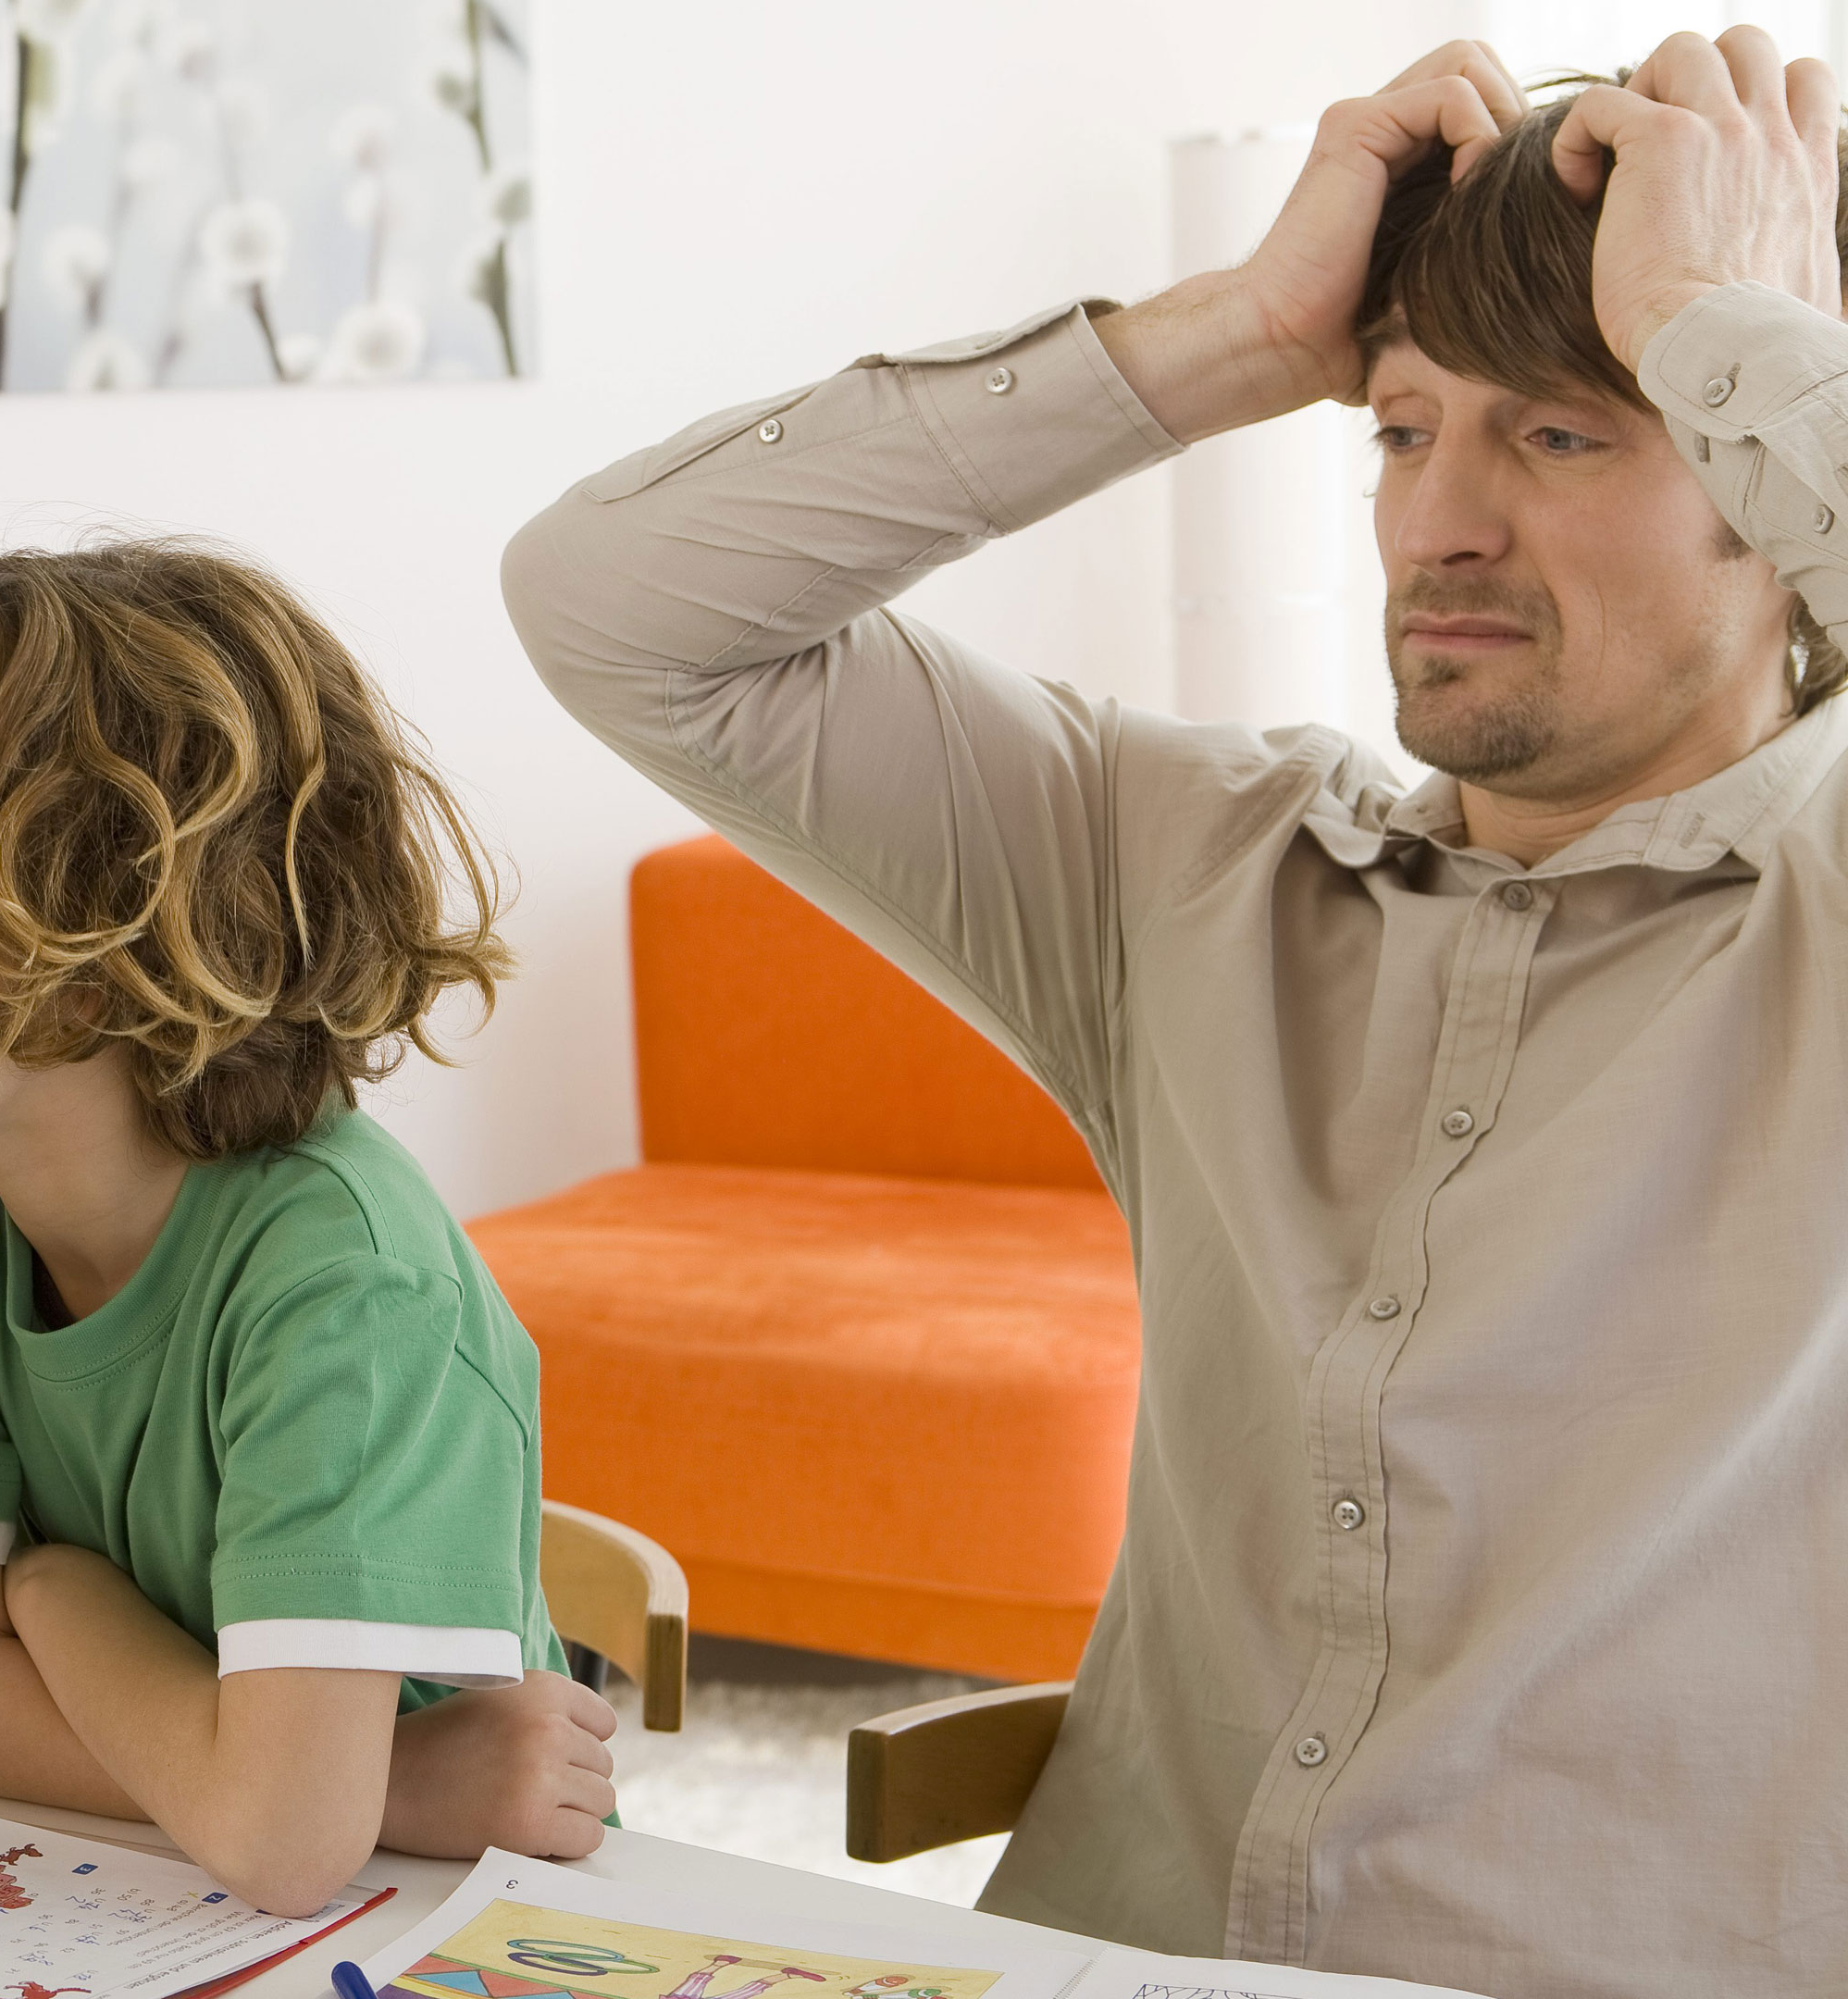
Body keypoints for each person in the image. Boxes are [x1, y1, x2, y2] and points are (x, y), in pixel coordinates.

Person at [502, 28, 1848, 1995]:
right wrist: (1231, 336)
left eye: (1562, 431)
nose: (1439, 525)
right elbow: (615, 604)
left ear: (1755, 463)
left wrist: (1718, 318)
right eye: (1402, 429)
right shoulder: (1190, 864)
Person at [0, 542, 616, 1918]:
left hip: (446, 1923)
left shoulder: (346, 1280)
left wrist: (50, 1601)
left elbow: (281, 1845)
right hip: (250, 1869)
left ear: (101, 917)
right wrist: (399, 1781)